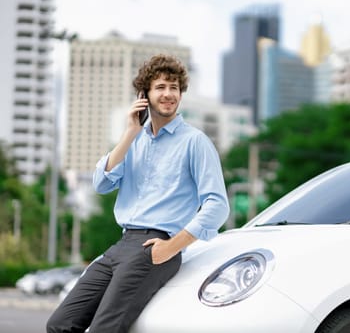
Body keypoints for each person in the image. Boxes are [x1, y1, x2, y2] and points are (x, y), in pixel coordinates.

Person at [47, 54, 230, 333]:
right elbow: (101, 183)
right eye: (160, 87)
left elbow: (217, 205)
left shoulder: (195, 142)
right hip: (120, 245)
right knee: (60, 324)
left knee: (104, 329)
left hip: (155, 247)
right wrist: (130, 132)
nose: (169, 94)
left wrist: (171, 247)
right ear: (143, 94)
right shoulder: (133, 140)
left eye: (174, 87)